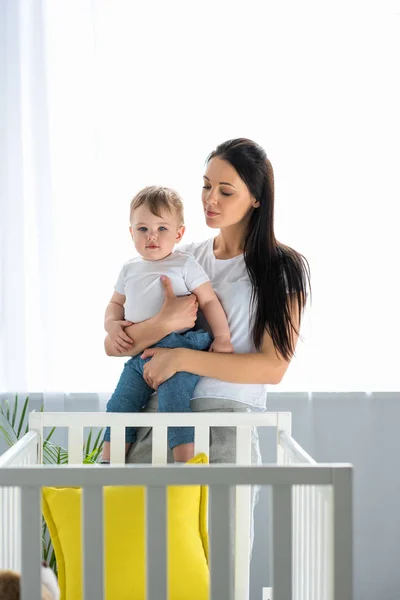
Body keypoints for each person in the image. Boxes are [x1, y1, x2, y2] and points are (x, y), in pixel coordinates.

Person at [104, 138, 310, 546]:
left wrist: (180, 357)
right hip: (156, 413)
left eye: (226, 191)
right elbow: (119, 346)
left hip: (225, 425)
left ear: (256, 199)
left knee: (215, 564)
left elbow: (273, 367)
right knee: (138, 558)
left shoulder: (279, 268)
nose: (209, 199)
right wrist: (159, 324)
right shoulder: (183, 255)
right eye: (205, 185)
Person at [102, 185, 233, 464]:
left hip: (180, 347)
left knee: (173, 405)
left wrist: (222, 338)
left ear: (179, 233)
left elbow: (209, 302)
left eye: (162, 229)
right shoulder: (129, 269)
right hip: (142, 351)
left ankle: (185, 465)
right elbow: (115, 304)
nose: (152, 236)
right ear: (131, 232)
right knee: (119, 404)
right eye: (142, 229)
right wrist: (112, 325)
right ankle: (108, 465)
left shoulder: (184, 264)